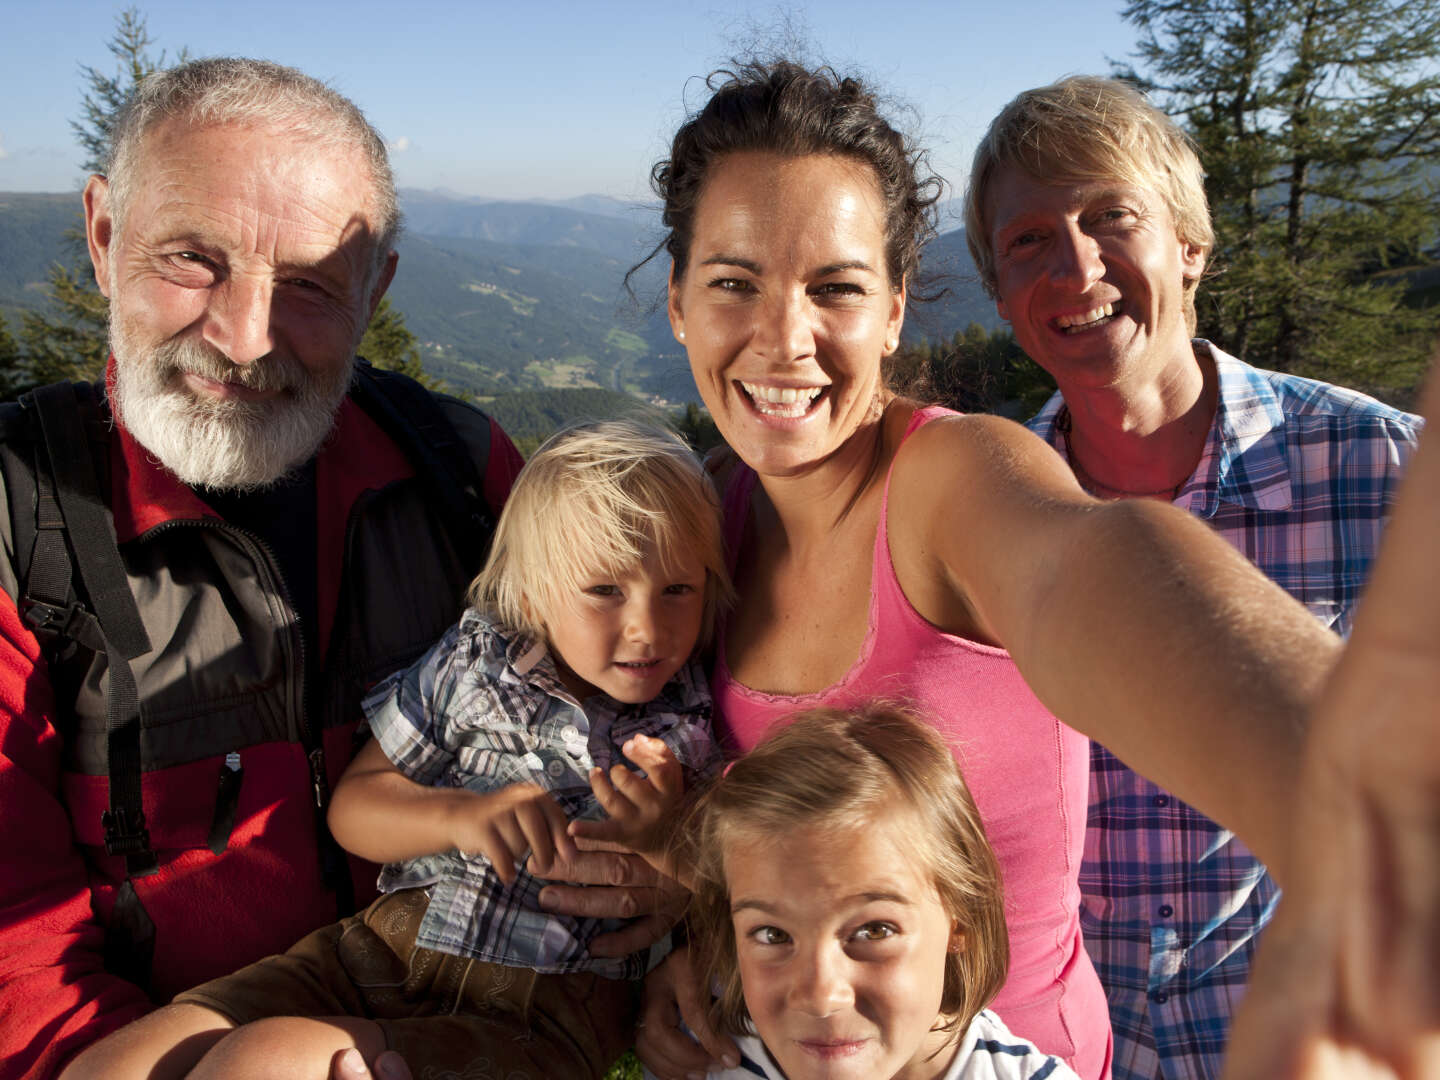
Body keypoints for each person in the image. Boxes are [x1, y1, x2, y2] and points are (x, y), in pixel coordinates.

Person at [531, 59, 1440, 1080]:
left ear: (896, 309)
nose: (785, 339)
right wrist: (699, 933)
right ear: (677, 304)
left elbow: (1086, 566)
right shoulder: (701, 527)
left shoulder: (953, 476)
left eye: (836, 288)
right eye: (735, 283)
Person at [0, 58, 525, 1080]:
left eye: (312, 287)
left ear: (376, 291)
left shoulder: (462, 478)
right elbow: (15, 948)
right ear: (105, 238)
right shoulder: (22, 526)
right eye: (192, 259)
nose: (246, 337)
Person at [956, 75, 1423, 1079]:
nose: (1076, 265)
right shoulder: (982, 529)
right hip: (1063, 1055)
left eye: (1111, 217)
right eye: (1029, 240)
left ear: (1192, 247)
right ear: (999, 296)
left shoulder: (1383, 472)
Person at [58, 420, 731, 1079]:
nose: (647, 627)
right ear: (534, 592)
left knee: (261, 1064)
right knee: (119, 1065)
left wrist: (658, 840)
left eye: (679, 590)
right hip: (376, 950)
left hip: (535, 1013)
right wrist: (460, 817)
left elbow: (724, 885)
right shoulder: (477, 663)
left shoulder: (694, 719)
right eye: (604, 591)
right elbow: (353, 810)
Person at [677, 702, 1079, 1080]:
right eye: (772, 935)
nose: (821, 997)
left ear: (962, 919)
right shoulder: (709, 1064)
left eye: (875, 931)